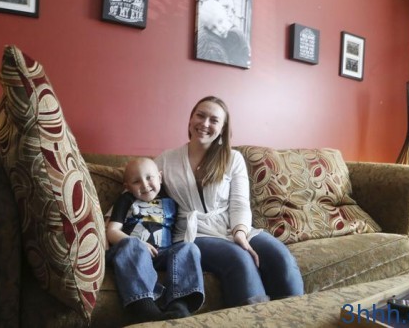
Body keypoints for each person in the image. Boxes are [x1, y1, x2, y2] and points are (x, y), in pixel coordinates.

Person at [155, 96, 304, 308]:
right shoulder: (165, 159)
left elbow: (240, 204)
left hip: (231, 228)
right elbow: (136, 188)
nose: (205, 124)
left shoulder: (233, 159)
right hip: (193, 234)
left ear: (223, 128)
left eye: (214, 120)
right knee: (238, 258)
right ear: (190, 120)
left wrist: (241, 234)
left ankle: (296, 316)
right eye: (200, 115)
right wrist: (113, 225)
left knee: (280, 257)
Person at [105, 157, 205, 323]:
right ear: (127, 187)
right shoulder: (126, 200)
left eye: (149, 177)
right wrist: (139, 244)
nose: (144, 185)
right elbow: (112, 231)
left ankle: (179, 303)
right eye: (136, 181)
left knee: (189, 248)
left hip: (162, 252)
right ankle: (145, 308)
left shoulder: (172, 200)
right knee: (131, 245)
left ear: (160, 177)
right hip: (132, 254)